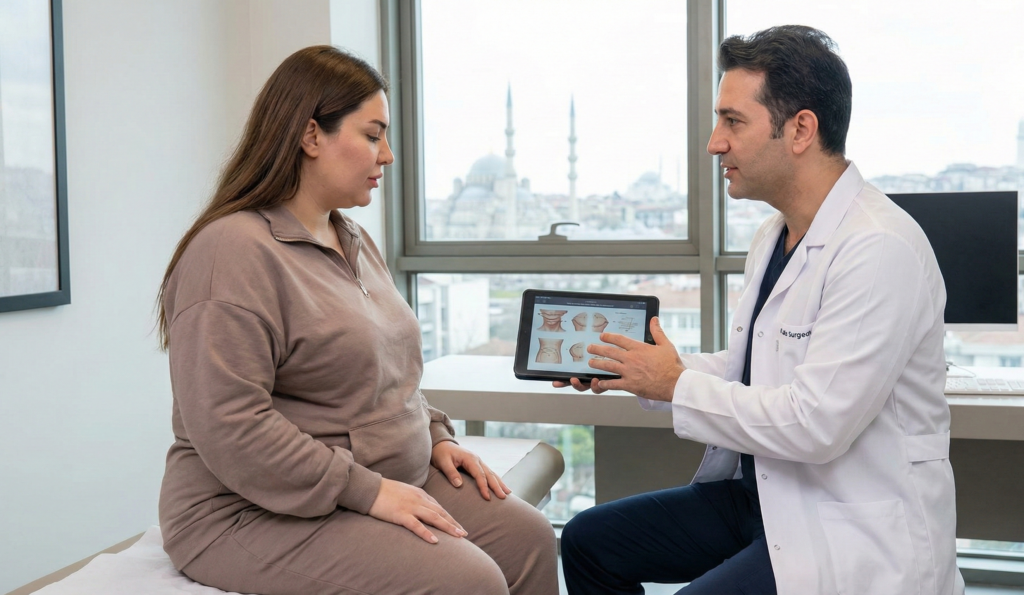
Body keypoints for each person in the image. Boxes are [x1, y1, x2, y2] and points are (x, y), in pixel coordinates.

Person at [558, 26, 963, 595]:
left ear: (800, 128)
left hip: (845, 523)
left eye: (733, 121)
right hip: (766, 497)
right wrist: (642, 370)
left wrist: (674, 385)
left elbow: (815, 425)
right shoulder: (774, 235)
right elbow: (760, 370)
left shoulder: (878, 247)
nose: (713, 143)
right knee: (587, 542)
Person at [155, 45, 558, 595]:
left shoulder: (351, 237)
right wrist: (368, 492)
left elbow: (389, 372)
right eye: (373, 135)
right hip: (246, 510)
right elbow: (231, 426)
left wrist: (435, 436)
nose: (387, 155)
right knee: (470, 582)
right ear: (311, 135)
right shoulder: (231, 252)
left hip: (379, 475)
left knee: (530, 540)